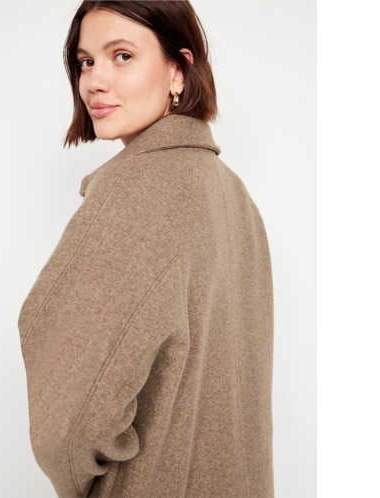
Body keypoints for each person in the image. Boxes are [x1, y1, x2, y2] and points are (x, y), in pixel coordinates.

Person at [18, 1, 274, 497]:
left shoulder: (136, 191)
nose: (94, 81)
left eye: (122, 56)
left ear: (178, 70)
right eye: (86, 61)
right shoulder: (235, 196)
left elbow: (64, 431)